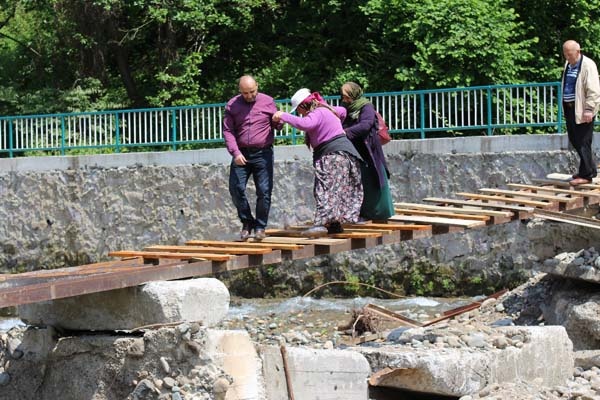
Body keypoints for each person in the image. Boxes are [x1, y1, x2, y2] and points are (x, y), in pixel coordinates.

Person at [272, 88, 363, 237]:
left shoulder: (318, 113)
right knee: (335, 190)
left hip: (332, 154)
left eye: (299, 110)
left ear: (303, 106)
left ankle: (321, 224)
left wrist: (283, 115)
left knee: (324, 189)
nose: (299, 113)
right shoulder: (326, 109)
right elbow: (343, 111)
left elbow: (305, 124)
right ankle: (334, 224)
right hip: (345, 154)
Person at [223, 75, 281, 240]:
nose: (249, 96)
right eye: (245, 93)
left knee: (264, 191)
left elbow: (277, 125)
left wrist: (279, 121)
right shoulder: (232, 105)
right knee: (236, 188)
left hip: (263, 153)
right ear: (239, 91)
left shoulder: (268, 101)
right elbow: (228, 131)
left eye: (252, 92)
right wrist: (235, 152)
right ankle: (247, 222)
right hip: (241, 153)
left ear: (257, 86)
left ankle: (260, 227)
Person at [340, 82, 394, 220]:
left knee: (374, 180)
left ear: (354, 94)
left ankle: (380, 213)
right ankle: (362, 214)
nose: (344, 99)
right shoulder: (346, 108)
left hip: (369, 150)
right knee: (359, 182)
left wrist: (345, 132)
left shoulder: (366, 106)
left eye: (347, 96)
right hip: (355, 151)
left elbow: (366, 125)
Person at [561, 40, 600, 186]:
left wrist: (589, 109)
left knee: (583, 141)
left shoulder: (588, 65)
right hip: (571, 108)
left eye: (569, 54)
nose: (567, 57)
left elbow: (594, 90)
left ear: (578, 51)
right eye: (565, 54)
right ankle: (590, 168)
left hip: (583, 110)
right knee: (574, 139)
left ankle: (586, 174)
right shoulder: (568, 65)